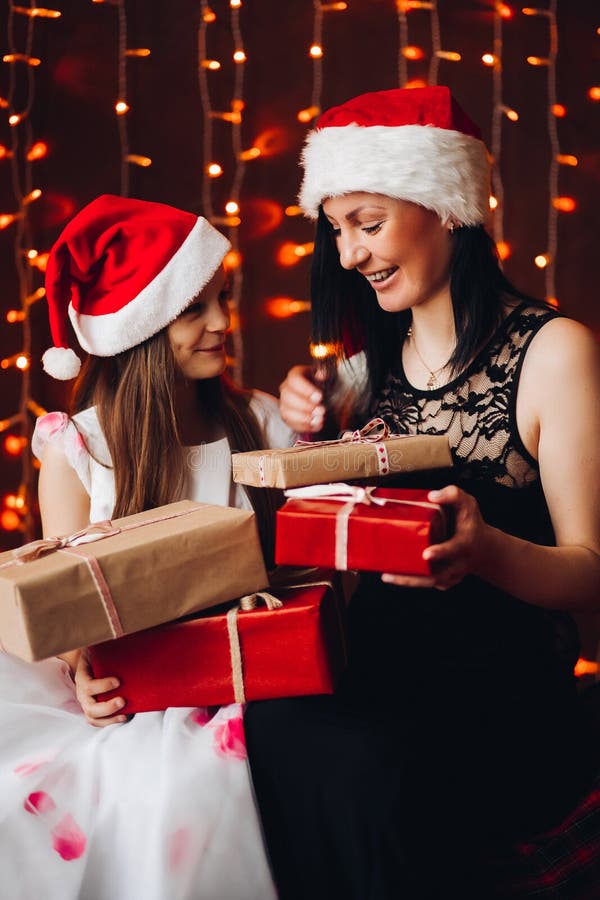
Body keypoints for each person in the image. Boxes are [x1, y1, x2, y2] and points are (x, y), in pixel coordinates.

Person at [244, 86, 600, 898]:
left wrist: (486, 553)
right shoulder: (363, 372)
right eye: (336, 230)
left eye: (367, 224)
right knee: (268, 729)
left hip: (498, 704)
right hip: (375, 679)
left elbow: (594, 571)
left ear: (447, 209)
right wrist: (310, 424)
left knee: (372, 771)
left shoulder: (556, 354)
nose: (349, 254)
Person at [0, 195, 292, 900]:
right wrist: (81, 668)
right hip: (129, 685)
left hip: (240, 679)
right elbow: (62, 597)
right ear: (142, 328)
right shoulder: (78, 450)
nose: (223, 323)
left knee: (210, 779)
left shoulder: (262, 421)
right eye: (195, 308)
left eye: (221, 299)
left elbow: (298, 564)